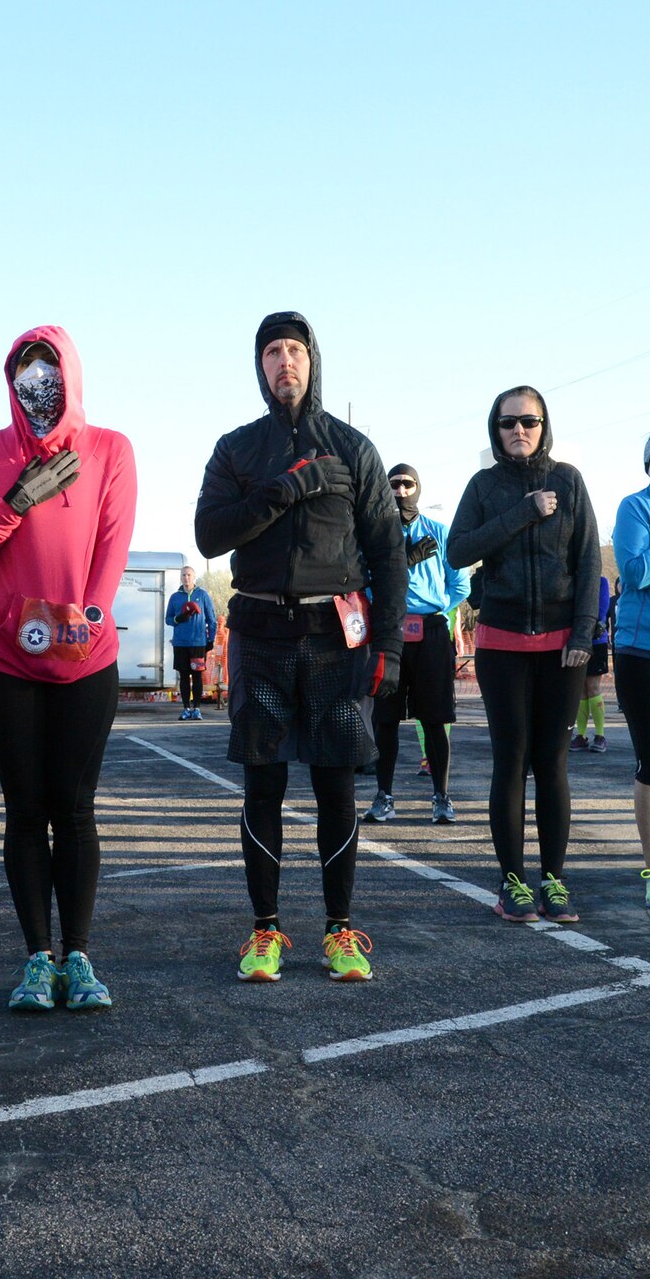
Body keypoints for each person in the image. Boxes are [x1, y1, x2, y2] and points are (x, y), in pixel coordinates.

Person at [195, 312, 403, 982]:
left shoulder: (353, 448)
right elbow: (209, 535)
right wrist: (283, 491)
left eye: (296, 350)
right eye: (272, 351)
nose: (285, 361)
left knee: (336, 786)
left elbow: (388, 555)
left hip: (335, 644)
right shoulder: (237, 449)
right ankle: (265, 933)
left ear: (314, 361)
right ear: (258, 366)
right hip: (259, 639)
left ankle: (340, 932)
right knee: (263, 785)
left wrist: (391, 649)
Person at [0, 327, 137, 1011]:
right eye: (25, 370)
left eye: (49, 368)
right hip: (8, 659)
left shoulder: (111, 450)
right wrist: (15, 503)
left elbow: (113, 550)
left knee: (76, 806)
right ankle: (37, 957)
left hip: (88, 657)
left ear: (72, 375)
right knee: (25, 810)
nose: (38, 383)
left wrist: (82, 626)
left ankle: (80, 956)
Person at [449, 388, 601, 923]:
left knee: (552, 764)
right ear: (495, 429)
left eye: (529, 420)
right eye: (508, 422)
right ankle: (511, 881)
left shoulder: (569, 480)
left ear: (544, 425)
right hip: (502, 643)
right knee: (510, 763)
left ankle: (554, 881)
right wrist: (521, 513)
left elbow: (587, 563)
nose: (519, 429)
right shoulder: (484, 486)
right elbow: (458, 551)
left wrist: (585, 633)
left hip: (561, 644)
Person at [367, 464, 469, 824]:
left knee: (435, 718)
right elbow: (366, 583)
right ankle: (384, 796)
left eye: (407, 484)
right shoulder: (377, 536)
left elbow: (461, 585)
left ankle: (441, 796)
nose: (400, 491)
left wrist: (437, 608)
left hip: (430, 632)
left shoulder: (440, 533)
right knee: (386, 720)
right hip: (391, 632)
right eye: (393, 485)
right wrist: (401, 563)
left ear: (418, 488)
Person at [165, 565, 217, 721]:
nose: (186, 578)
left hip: (198, 644)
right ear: (180, 578)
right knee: (183, 676)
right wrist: (177, 619)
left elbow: (211, 619)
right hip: (180, 643)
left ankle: (197, 709)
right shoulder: (175, 597)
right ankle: (186, 708)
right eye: (183, 575)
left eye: (188, 575)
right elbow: (168, 619)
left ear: (194, 577)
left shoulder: (202, 595)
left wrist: (210, 639)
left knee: (197, 676)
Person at [570, 576, 613, 753]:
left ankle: (600, 735)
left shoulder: (600, 581)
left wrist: (590, 629)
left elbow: (603, 609)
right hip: (575, 640)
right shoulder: (571, 580)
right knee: (580, 688)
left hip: (595, 640)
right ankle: (581, 735)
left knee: (593, 687)